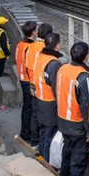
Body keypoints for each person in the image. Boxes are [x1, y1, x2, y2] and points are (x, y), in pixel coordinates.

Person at [56, 42, 89, 176]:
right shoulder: (84, 77)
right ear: (85, 57)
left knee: (66, 156)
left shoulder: (62, 69)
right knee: (77, 165)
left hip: (63, 122)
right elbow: (88, 108)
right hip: (77, 126)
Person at [32, 31, 64, 162]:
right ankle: (47, 163)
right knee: (50, 135)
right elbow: (57, 88)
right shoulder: (54, 63)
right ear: (57, 46)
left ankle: (42, 157)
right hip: (50, 104)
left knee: (44, 133)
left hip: (40, 99)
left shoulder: (41, 56)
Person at [25, 22, 52, 148]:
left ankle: (34, 140)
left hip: (31, 82)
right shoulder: (44, 49)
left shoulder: (31, 46)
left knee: (34, 113)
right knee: (44, 116)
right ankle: (41, 142)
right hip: (42, 86)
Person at [14, 21, 38, 146]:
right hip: (29, 80)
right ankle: (28, 134)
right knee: (31, 109)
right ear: (33, 32)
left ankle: (25, 132)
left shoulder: (20, 44)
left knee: (26, 107)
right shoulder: (31, 47)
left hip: (22, 78)